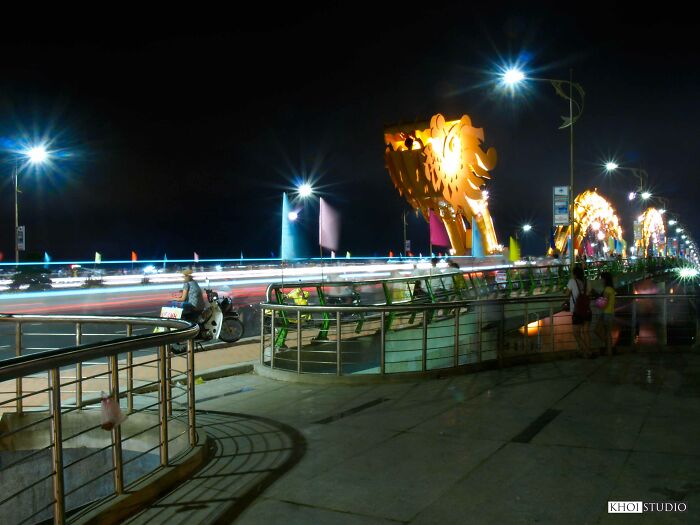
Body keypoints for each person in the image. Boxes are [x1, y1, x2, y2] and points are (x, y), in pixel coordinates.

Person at [567, 266, 592, 357]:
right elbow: (589, 293)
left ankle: (586, 351)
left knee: (576, 333)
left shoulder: (572, 281)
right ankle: (589, 351)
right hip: (587, 310)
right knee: (586, 332)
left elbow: (567, 293)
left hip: (577, 311)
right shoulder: (587, 281)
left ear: (574, 274)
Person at [595, 271, 616, 356]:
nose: (601, 280)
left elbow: (604, 302)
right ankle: (609, 350)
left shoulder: (607, 289)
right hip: (611, 312)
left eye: (602, 278)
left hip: (606, 313)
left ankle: (609, 349)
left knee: (598, 331)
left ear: (605, 279)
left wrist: (598, 304)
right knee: (608, 333)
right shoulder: (612, 289)